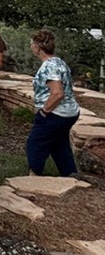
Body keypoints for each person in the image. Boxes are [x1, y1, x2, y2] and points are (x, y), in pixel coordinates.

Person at [26, 30, 80, 177]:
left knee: (35, 144)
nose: (31, 48)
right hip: (70, 112)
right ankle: (70, 174)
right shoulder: (60, 62)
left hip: (56, 113)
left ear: (37, 47)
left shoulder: (49, 66)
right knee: (59, 144)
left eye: (32, 44)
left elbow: (57, 93)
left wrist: (44, 111)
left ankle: (34, 177)